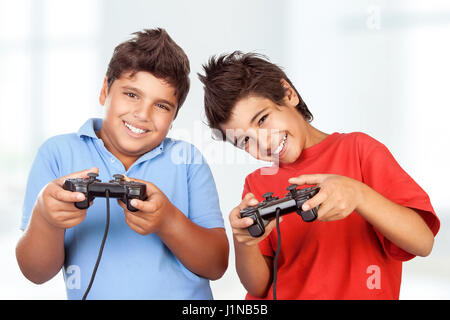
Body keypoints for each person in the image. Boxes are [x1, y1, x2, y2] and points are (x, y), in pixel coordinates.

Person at [197, 51, 440, 299]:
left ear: (288, 94)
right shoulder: (256, 183)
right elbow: (258, 286)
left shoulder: (359, 150)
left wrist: (359, 195)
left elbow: (422, 242)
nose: (263, 142)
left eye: (262, 119)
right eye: (244, 140)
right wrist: (244, 241)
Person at [16, 28, 228, 300]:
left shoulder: (187, 159)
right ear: (105, 91)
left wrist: (167, 221)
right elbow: (35, 273)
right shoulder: (57, 153)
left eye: (162, 106)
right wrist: (46, 218)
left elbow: (216, 265)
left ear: (174, 117)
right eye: (131, 94)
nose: (142, 113)